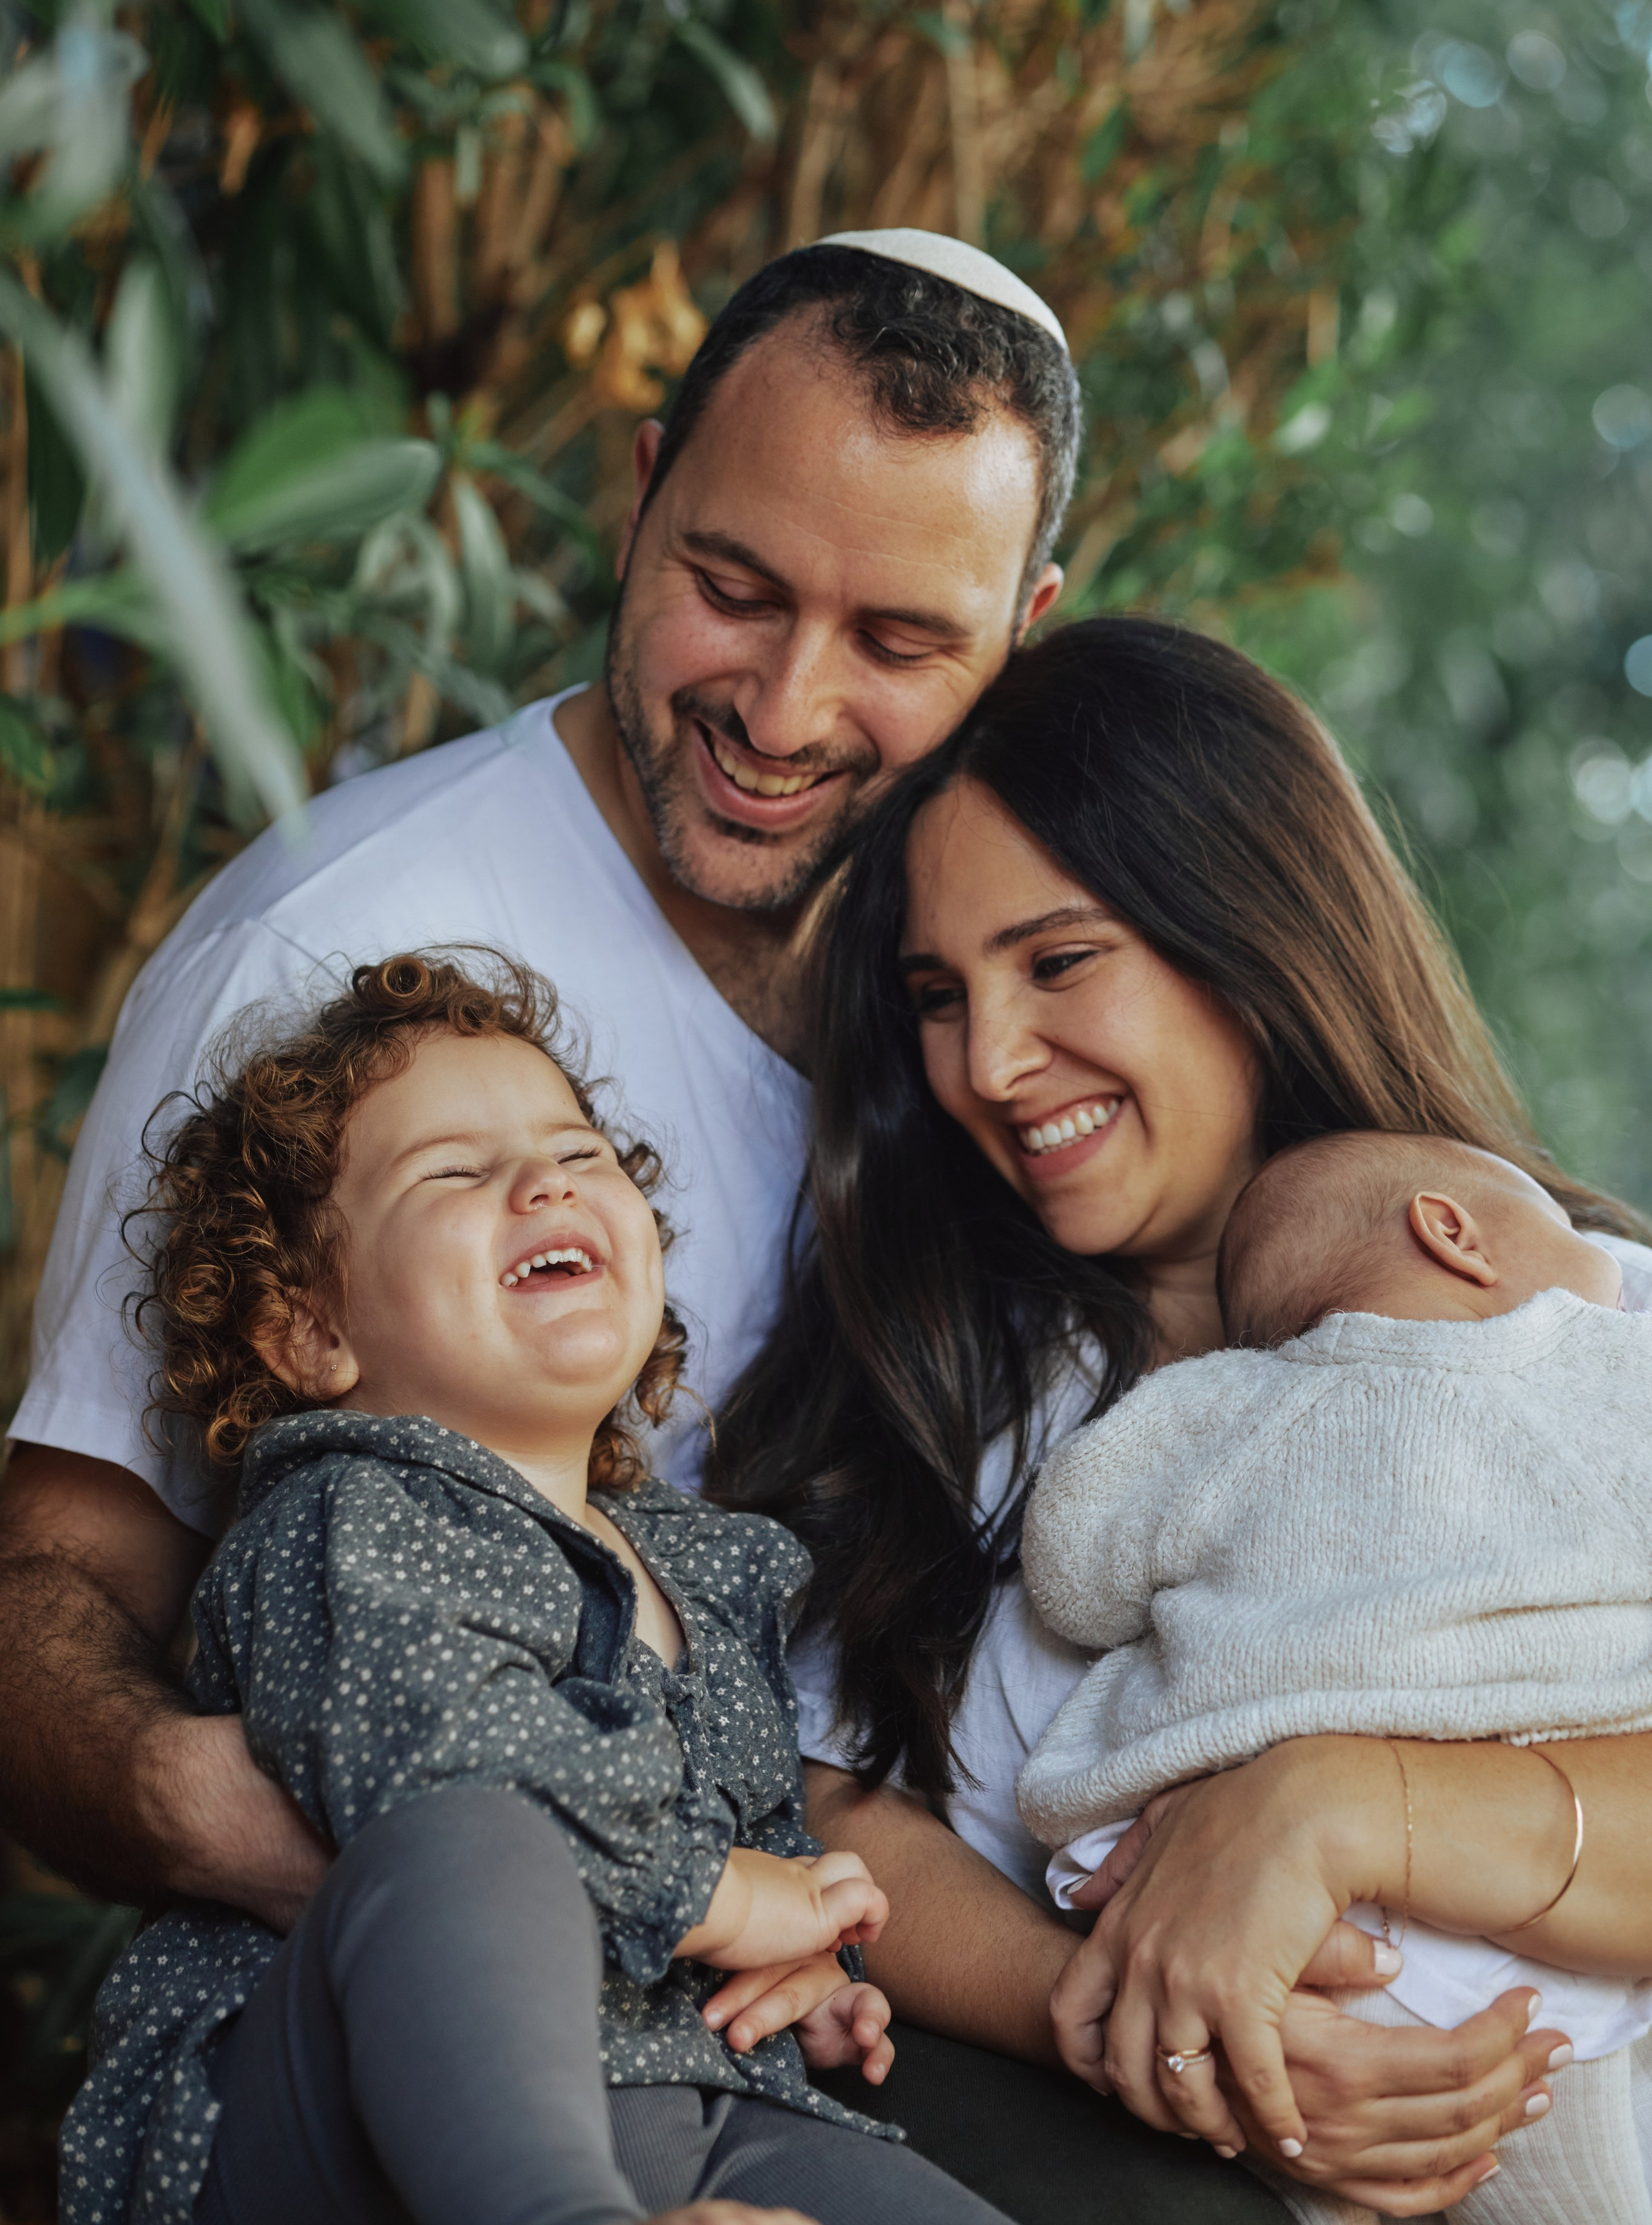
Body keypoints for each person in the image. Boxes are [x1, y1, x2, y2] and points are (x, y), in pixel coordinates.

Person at [0, 236, 1556, 2221]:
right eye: (733, 587)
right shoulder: (340, 946)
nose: (785, 704)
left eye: (901, 642)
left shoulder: (1007, 1022)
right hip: (439, 1993)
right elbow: (56, 1584)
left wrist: (1252, 1919)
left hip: (852, 1990)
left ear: (1026, 630)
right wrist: (258, 1808)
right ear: (640, 494)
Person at [712, 615, 1652, 2219]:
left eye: (1060, 961)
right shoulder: (947, 1397)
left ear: (1248, 932)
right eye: (938, 995)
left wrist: (1330, 1806)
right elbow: (824, 1794)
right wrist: (1131, 2021)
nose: (990, 1064)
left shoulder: (1579, 1324)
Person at [63, 948, 1015, 2225]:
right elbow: (444, 1756)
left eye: (581, 1155)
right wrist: (721, 1896)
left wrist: (806, 1963)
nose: (543, 1180)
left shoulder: (699, 1564)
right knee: (473, 1826)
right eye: (453, 1171)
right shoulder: (349, 1515)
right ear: (312, 1329)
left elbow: (753, 1833)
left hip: (684, 2098)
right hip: (343, 2122)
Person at [1019, 1130, 1652, 2225]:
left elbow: (1073, 1573)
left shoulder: (1213, 1409)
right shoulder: (1592, 1360)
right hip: (1506, 1896)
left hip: (1258, 1937)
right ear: (1451, 1233)